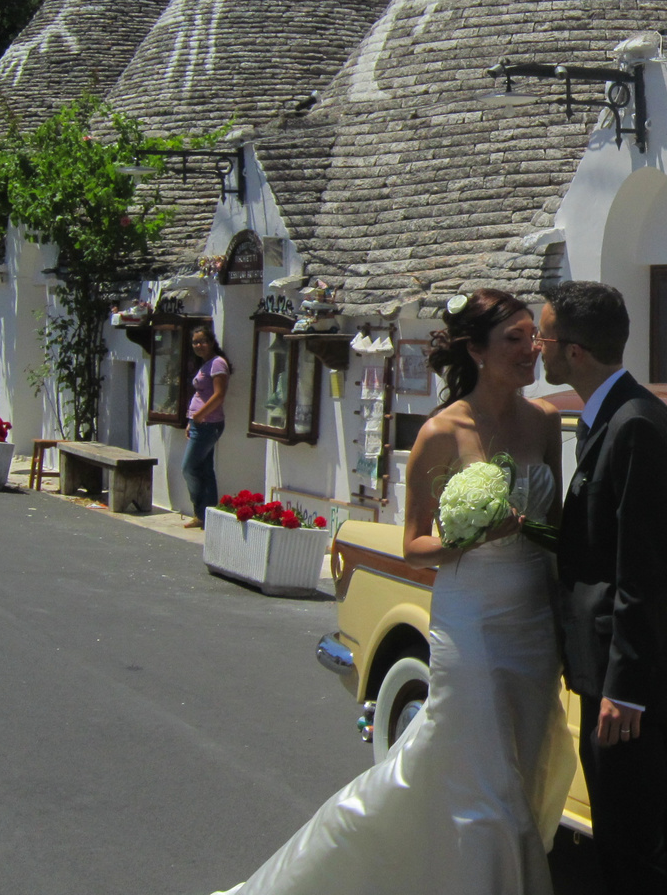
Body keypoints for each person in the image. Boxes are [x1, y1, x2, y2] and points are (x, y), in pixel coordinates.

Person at [210, 289, 573, 895]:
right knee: (489, 784)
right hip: (472, 622)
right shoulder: (440, 433)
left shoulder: (544, 423)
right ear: (478, 351)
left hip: (532, 619)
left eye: (533, 335)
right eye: (515, 338)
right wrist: (475, 535)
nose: (531, 349)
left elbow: (555, 525)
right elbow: (414, 545)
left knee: (522, 766)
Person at [538, 281, 667, 895]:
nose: (538, 347)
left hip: (627, 680)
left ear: (575, 352)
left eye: (544, 336)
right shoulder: (613, 416)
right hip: (611, 670)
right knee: (640, 829)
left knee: (628, 840)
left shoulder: (633, 425)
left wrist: (626, 690)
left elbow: (646, 570)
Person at [181, 325, 231, 529]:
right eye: (195, 342)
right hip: (199, 423)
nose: (198, 345)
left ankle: (200, 509)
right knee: (205, 469)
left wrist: (199, 416)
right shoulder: (205, 364)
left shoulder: (218, 364)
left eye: (202, 341)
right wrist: (191, 420)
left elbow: (219, 395)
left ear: (211, 343)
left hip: (208, 423)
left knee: (189, 468)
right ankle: (206, 515)